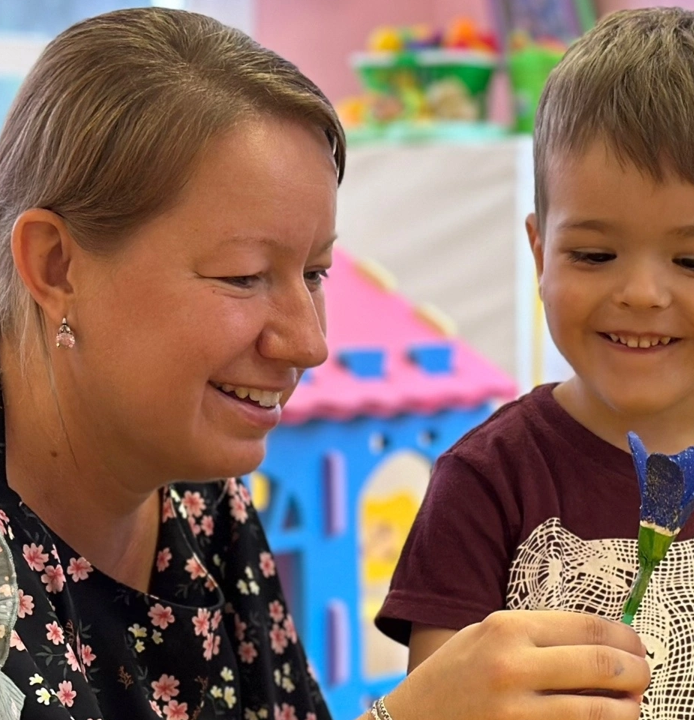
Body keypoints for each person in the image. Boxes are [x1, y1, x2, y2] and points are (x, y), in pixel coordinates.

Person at [0, 7, 650, 719]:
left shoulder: (197, 497)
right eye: (243, 276)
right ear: (56, 264)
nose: (310, 344)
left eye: (314, 274)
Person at [376, 7, 694, 719]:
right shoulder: (487, 479)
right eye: (593, 254)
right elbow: (444, 700)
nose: (640, 294)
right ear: (541, 254)